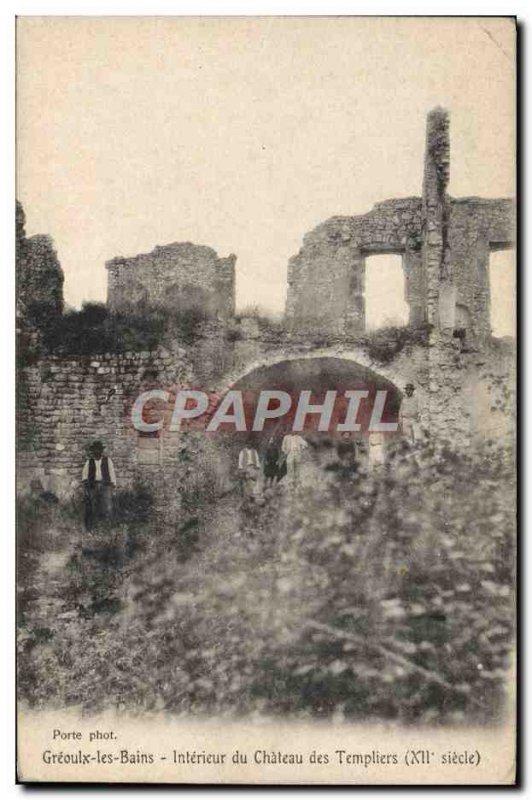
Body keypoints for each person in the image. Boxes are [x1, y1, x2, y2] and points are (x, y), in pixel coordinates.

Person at [81, 441, 117, 530]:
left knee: (107, 506)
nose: (97, 452)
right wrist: (86, 487)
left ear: (101, 451)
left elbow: (112, 473)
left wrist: (113, 486)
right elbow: (84, 476)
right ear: (93, 451)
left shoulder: (107, 461)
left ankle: (106, 527)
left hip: (106, 485)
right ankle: (93, 528)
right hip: (93, 485)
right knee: (93, 507)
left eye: (99, 450)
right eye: (95, 450)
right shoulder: (89, 462)